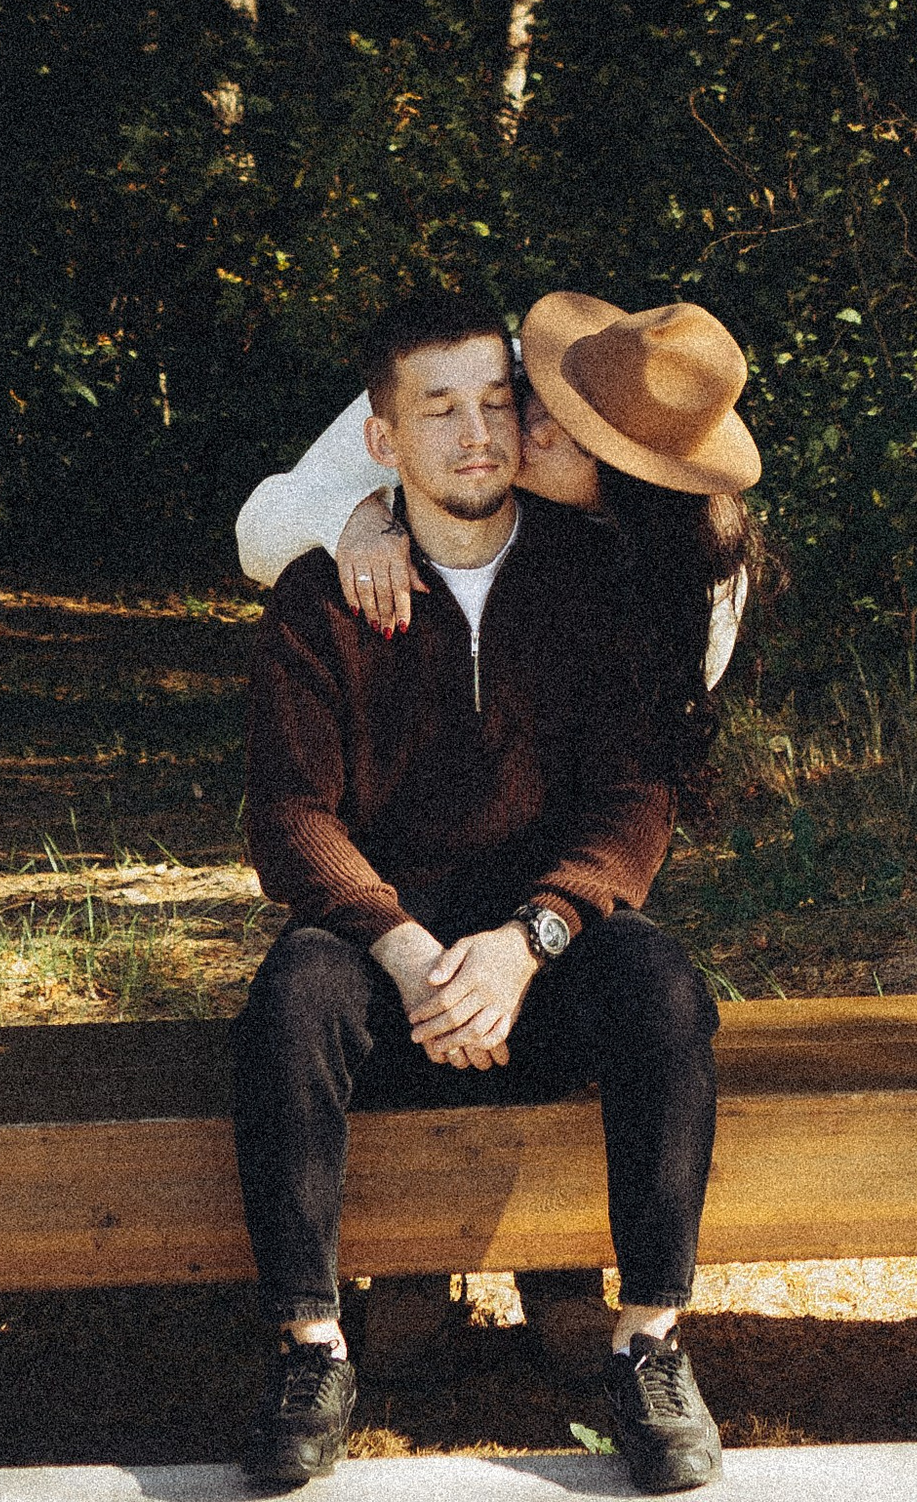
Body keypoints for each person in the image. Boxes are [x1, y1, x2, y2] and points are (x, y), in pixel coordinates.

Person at [232, 287, 753, 1497]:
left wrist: (531, 936)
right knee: (295, 992)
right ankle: (312, 1352)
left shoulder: (638, 581)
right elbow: (289, 817)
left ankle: (651, 1342)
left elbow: (635, 799)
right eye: (449, 413)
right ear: (385, 439)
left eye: (499, 411)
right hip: (390, 963)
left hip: (544, 961)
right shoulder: (323, 593)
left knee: (665, 987)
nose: (483, 436)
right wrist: (411, 952)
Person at [237, 289, 772, 817]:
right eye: (558, 401)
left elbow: (637, 760)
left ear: (626, 491)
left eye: (580, 440)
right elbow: (258, 530)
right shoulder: (473, 373)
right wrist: (353, 518)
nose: (534, 428)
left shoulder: (697, 588)